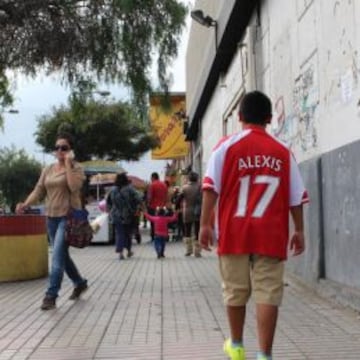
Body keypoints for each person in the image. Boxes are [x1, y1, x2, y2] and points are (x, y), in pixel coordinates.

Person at [199, 91, 309, 360]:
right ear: (270, 118)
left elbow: (210, 189)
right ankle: (265, 355)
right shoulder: (283, 152)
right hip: (271, 233)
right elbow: (296, 197)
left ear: (239, 117)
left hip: (234, 232)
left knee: (235, 290)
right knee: (268, 293)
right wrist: (299, 231)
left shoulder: (225, 147)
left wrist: (204, 224)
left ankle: (236, 346)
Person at [16, 132, 88, 311]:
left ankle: (51, 296)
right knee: (62, 254)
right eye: (57, 148)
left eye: (64, 148)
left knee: (56, 258)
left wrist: (69, 164)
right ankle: (79, 283)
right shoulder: (48, 169)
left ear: (71, 150)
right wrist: (25, 204)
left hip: (68, 218)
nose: (60, 151)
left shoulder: (77, 169)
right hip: (52, 218)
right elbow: (39, 190)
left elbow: (73, 186)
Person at [107, 172, 142, 260]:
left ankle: (120, 253)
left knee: (119, 233)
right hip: (128, 214)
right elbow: (139, 198)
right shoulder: (130, 189)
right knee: (127, 233)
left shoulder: (113, 189)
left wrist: (111, 210)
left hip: (116, 215)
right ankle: (129, 251)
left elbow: (108, 202)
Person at [179, 171, 202, 257]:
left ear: (189, 178)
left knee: (187, 231)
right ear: (197, 179)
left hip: (187, 211)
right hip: (198, 212)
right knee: (197, 231)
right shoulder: (200, 187)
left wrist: (178, 208)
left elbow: (178, 199)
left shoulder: (184, 188)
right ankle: (197, 251)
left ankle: (188, 250)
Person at [147, 172, 168, 241]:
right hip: (163, 206)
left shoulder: (152, 185)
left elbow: (150, 197)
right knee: (164, 222)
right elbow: (166, 195)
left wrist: (148, 203)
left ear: (153, 177)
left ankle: (154, 236)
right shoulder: (164, 185)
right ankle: (164, 236)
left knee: (153, 222)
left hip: (153, 206)